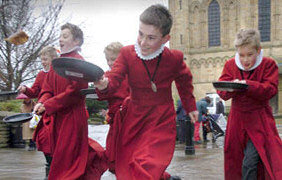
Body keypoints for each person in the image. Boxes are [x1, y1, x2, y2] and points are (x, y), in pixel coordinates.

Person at [94, 4, 198, 180]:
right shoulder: (127, 53)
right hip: (134, 119)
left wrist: (191, 107)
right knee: (128, 170)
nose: (143, 42)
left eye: (151, 38)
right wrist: (104, 84)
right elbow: (114, 78)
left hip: (161, 119)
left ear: (166, 38)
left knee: (148, 165)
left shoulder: (174, 58)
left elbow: (184, 82)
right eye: (140, 34)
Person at [34, 23, 107, 180]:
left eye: (65, 36)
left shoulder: (79, 63)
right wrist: (42, 101)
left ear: (77, 41)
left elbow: (75, 93)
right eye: (60, 36)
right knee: (60, 158)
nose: (60, 39)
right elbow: (47, 88)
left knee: (69, 160)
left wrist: (48, 105)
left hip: (72, 118)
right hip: (57, 118)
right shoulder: (56, 63)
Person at [217, 28, 282, 180]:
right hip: (236, 121)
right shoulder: (231, 65)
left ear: (258, 51)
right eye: (241, 55)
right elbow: (222, 91)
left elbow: (270, 90)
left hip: (259, 120)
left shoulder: (268, 64)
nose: (245, 60)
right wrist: (232, 88)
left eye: (250, 55)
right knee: (236, 161)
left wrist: (248, 85)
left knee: (250, 161)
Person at [18, 46, 58, 179]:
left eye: (45, 59)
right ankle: (49, 168)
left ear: (53, 58)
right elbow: (35, 91)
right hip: (43, 111)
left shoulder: (59, 72)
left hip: (56, 111)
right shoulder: (41, 74)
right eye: (41, 59)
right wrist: (25, 89)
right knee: (43, 139)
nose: (43, 62)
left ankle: (56, 169)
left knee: (56, 141)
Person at [98, 41, 130, 173]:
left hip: (128, 118)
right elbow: (103, 95)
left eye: (113, 59)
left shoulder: (130, 74)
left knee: (126, 155)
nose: (110, 63)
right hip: (115, 119)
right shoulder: (106, 75)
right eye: (107, 60)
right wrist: (101, 86)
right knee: (113, 156)